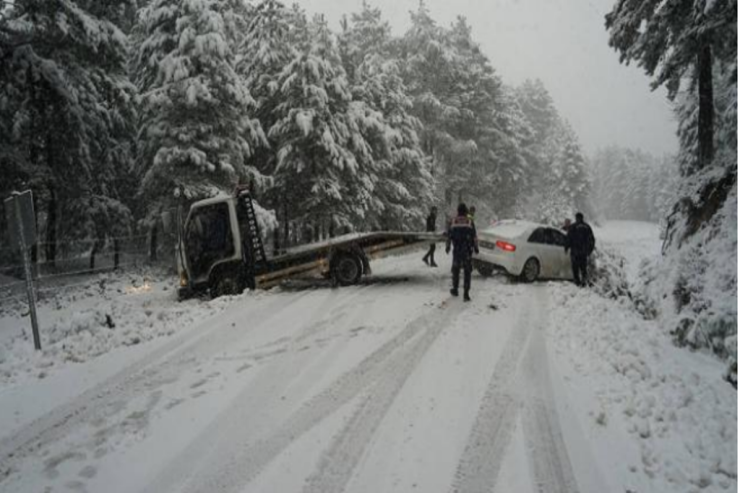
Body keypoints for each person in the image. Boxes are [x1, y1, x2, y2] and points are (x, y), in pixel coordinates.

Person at [446, 203, 478, 301]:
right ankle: (466, 294)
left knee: (456, 270)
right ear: (466, 211)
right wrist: (476, 247)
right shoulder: (469, 221)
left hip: (457, 250)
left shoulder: (454, 221)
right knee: (467, 272)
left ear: (458, 211)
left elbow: (449, 235)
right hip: (467, 250)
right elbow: (474, 236)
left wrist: (447, 246)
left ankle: (455, 289)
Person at [565, 212, 595, 287]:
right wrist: (589, 251)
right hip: (583, 253)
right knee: (583, 268)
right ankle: (584, 282)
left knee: (575, 268)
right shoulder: (587, 227)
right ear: (582, 218)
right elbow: (592, 240)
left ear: (576, 218)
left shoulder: (573, 227)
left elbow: (568, 239)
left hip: (575, 252)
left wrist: (566, 247)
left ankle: (577, 282)